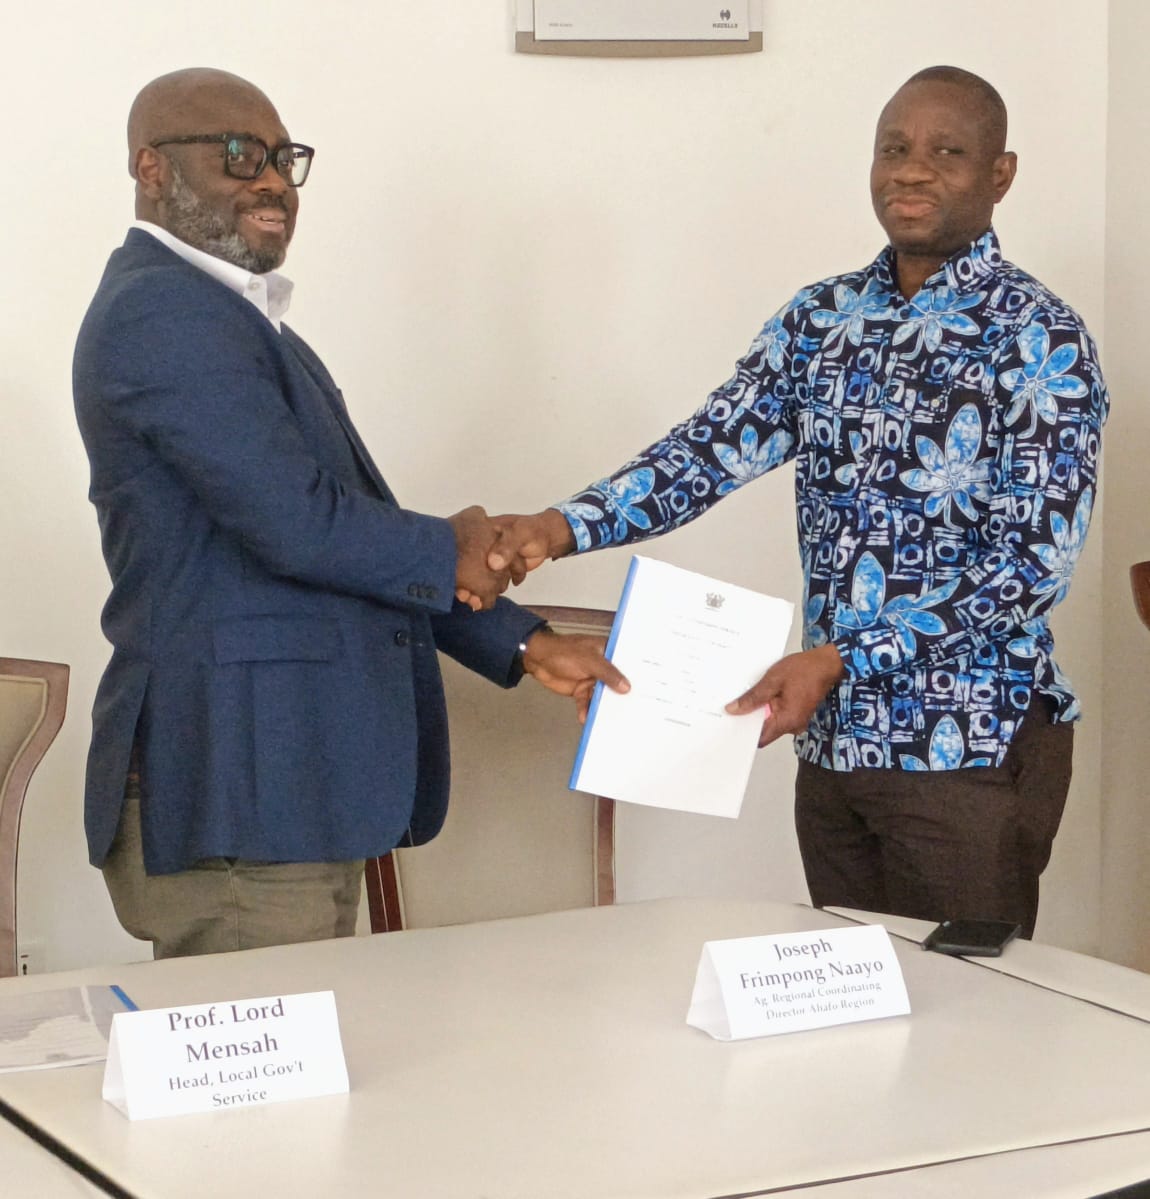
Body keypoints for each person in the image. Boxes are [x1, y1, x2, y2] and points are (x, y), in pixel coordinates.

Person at [489, 66, 1108, 938]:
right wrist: (557, 528)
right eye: (894, 148)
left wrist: (844, 658)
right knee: (860, 1003)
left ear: (1000, 175)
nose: (912, 170)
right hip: (834, 746)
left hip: (967, 745)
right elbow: (708, 449)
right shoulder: (821, 319)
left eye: (947, 152)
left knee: (972, 1006)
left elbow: (1029, 568)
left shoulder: (1042, 338)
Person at [73, 67, 627, 959]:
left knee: (318, 1045)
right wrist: (454, 546)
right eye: (239, 154)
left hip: (290, 791)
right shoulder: (161, 311)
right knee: (266, 1051)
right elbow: (300, 524)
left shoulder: (245, 325)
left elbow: (348, 535)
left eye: (283, 158)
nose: (272, 180)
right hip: (238, 790)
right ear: (151, 168)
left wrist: (525, 644)